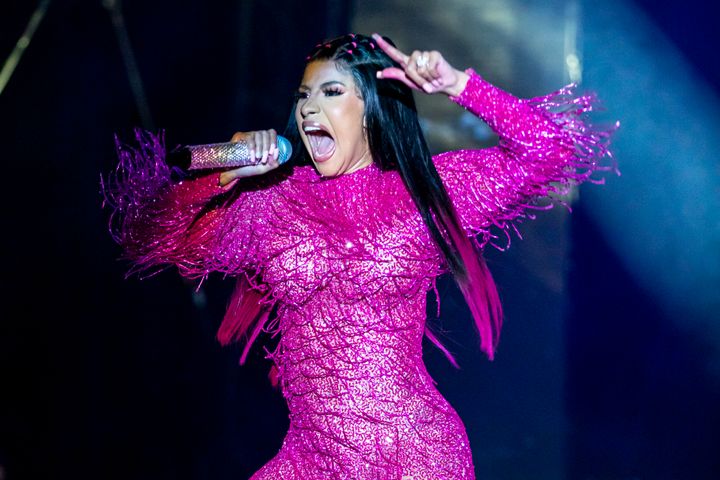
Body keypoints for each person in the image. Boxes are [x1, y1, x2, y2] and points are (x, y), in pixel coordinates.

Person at [103, 32, 616, 479]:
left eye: (330, 92)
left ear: (370, 104)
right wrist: (221, 176)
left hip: (415, 457)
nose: (307, 109)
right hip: (311, 459)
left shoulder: (424, 194)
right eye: (303, 96)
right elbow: (148, 237)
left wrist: (459, 86)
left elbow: (552, 151)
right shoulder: (270, 201)